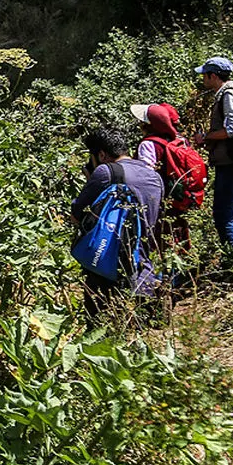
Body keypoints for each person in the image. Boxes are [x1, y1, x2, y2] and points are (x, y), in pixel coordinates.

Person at [71, 127, 164, 315]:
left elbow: (76, 215)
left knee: (100, 330)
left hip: (106, 267)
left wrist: (91, 180)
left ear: (102, 154)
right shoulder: (155, 177)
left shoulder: (106, 172)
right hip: (143, 272)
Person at [191, 57, 233, 251]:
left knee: (223, 213)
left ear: (213, 76)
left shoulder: (228, 94)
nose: (203, 79)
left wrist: (207, 138)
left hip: (229, 162)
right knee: (231, 209)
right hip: (230, 160)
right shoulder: (228, 93)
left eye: (205, 75)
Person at [131, 102, 192, 256]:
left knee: (157, 238)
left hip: (158, 198)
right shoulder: (179, 140)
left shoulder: (148, 144)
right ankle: (181, 274)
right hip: (178, 195)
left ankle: (159, 276)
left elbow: (146, 174)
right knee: (178, 232)